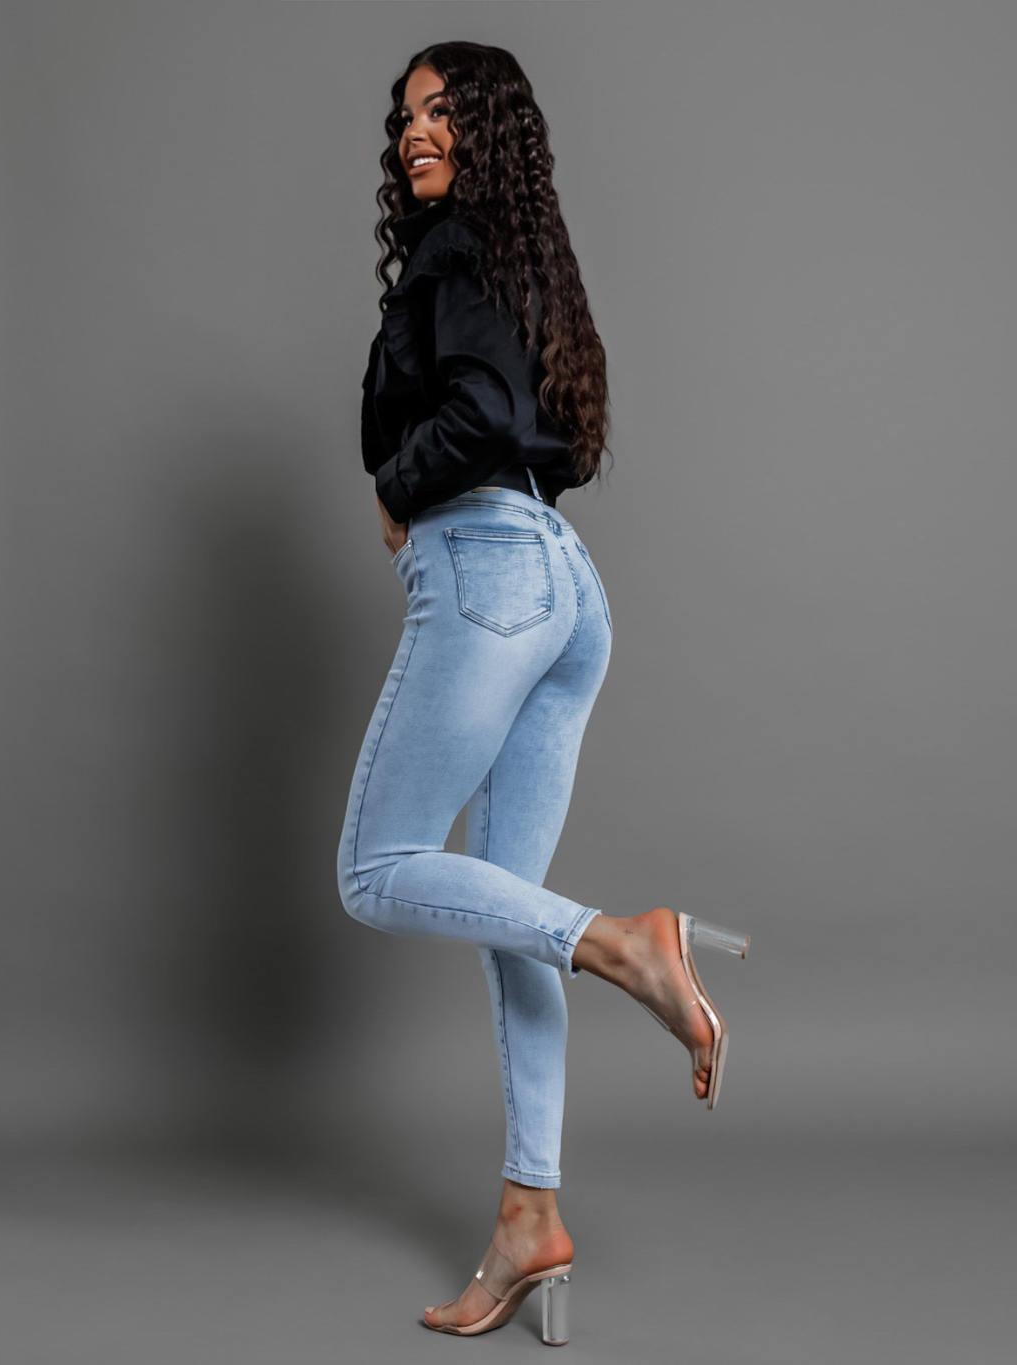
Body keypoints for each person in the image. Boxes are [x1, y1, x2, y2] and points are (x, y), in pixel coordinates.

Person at [337, 42, 750, 1344]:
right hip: (563, 586)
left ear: (489, 129)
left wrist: (400, 489)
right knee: (513, 923)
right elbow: (549, 433)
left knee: (376, 869)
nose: (417, 131)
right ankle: (531, 1217)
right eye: (407, 114)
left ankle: (630, 942)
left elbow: (475, 415)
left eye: (443, 110)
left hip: (487, 575)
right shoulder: (523, 263)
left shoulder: (454, 256)